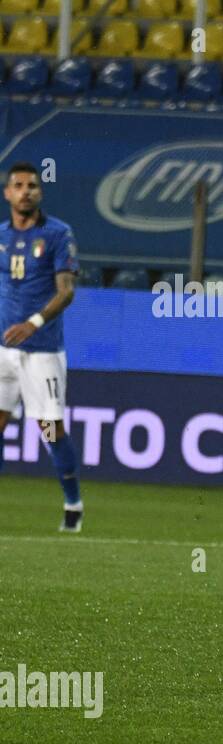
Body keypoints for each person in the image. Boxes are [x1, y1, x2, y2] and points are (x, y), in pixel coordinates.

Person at [0, 161, 82, 532]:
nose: (26, 191)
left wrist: (32, 324)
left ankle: (73, 503)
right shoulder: (1, 235)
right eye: (18, 185)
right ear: (7, 194)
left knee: (50, 430)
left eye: (32, 185)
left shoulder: (57, 234)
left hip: (43, 350)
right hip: (3, 350)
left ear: (40, 192)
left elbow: (66, 292)